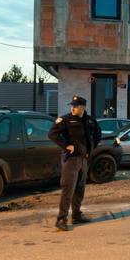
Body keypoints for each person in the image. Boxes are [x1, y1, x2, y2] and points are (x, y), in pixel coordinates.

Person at [48, 95, 102, 231]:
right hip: (71, 160)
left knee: (80, 189)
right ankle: (61, 219)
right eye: (72, 106)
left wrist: (91, 148)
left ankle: (76, 215)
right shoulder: (65, 119)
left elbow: (97, 135)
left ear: (83, 107)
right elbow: (52, 134)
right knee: (68, 189)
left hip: (84, 160)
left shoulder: (90, 121)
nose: (72, 108)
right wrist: (66, 146)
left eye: (75, 106)